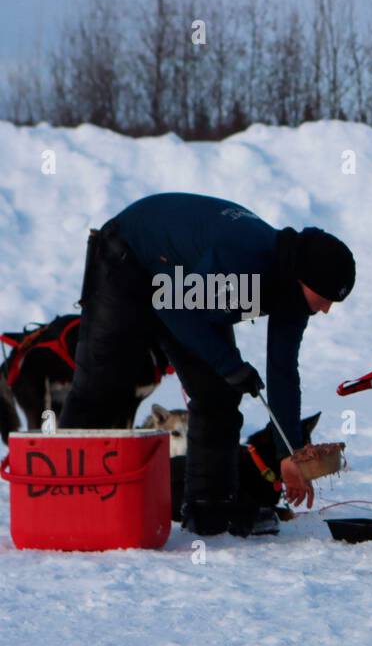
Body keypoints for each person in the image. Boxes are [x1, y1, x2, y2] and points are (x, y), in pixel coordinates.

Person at [59, 193, 355, 536]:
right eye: (328, 299)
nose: (327, 309)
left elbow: (283, 369)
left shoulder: (292, 290)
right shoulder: (243, 263)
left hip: (179, 280)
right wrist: (229, 362)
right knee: (102, 384)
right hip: (128, 256)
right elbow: (171, 304)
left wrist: (288, 453)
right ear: (305, 280)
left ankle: (210, 512)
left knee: (220, 392)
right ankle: (64, 502)